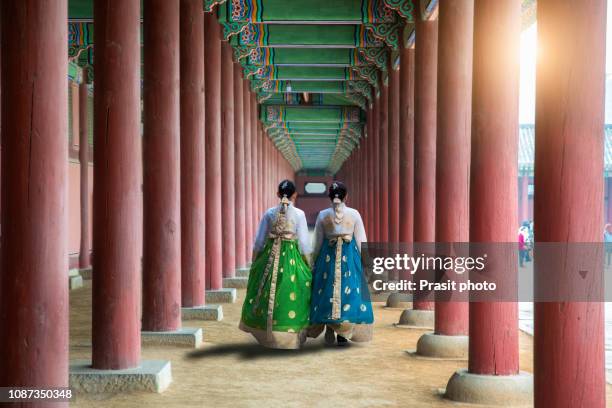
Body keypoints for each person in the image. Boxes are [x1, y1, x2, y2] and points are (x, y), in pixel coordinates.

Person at [239, 180, 313, 349]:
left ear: (278, 194)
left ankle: (268, 335)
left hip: (269, 257)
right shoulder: (299, 214)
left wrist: (255, 261)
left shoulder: (269, 213)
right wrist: (308, 265)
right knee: (294, 289)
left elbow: (259, 241)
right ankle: (290, 336)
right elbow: (304, 244)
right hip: (291, 258)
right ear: (294, 195)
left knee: (264, 289)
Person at [309, 181, 373, 346]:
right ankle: (343, 333)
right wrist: (367, 264)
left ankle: (330, 327)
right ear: (346, 196)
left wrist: (312, 262)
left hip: (327, 259)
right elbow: (361, 240)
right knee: (349, 293)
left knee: (327, 291)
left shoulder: (323, 215)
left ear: (330, 197)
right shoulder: (354, 214)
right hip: (349, 259)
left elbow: (317, 242)